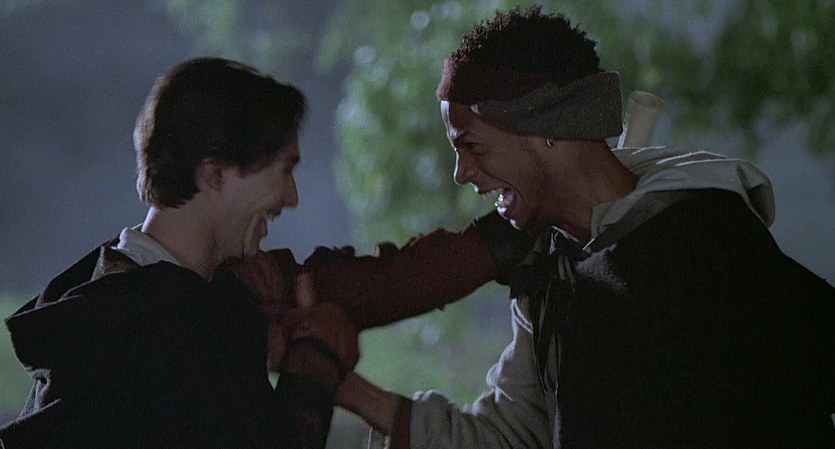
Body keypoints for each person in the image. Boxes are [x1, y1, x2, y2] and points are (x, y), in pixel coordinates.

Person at [332, 6, 835, 448]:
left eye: (473, 146)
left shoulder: (706, 248)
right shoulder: (555, 270)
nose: (462, 175)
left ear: (546, 129)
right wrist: (348, 389)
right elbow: (513, 436)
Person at [0, 57, 360, 449]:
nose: (292, 197)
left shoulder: (121, 304)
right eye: (284, 170)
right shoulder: (169, 326)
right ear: (214, 172)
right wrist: (315, 360)